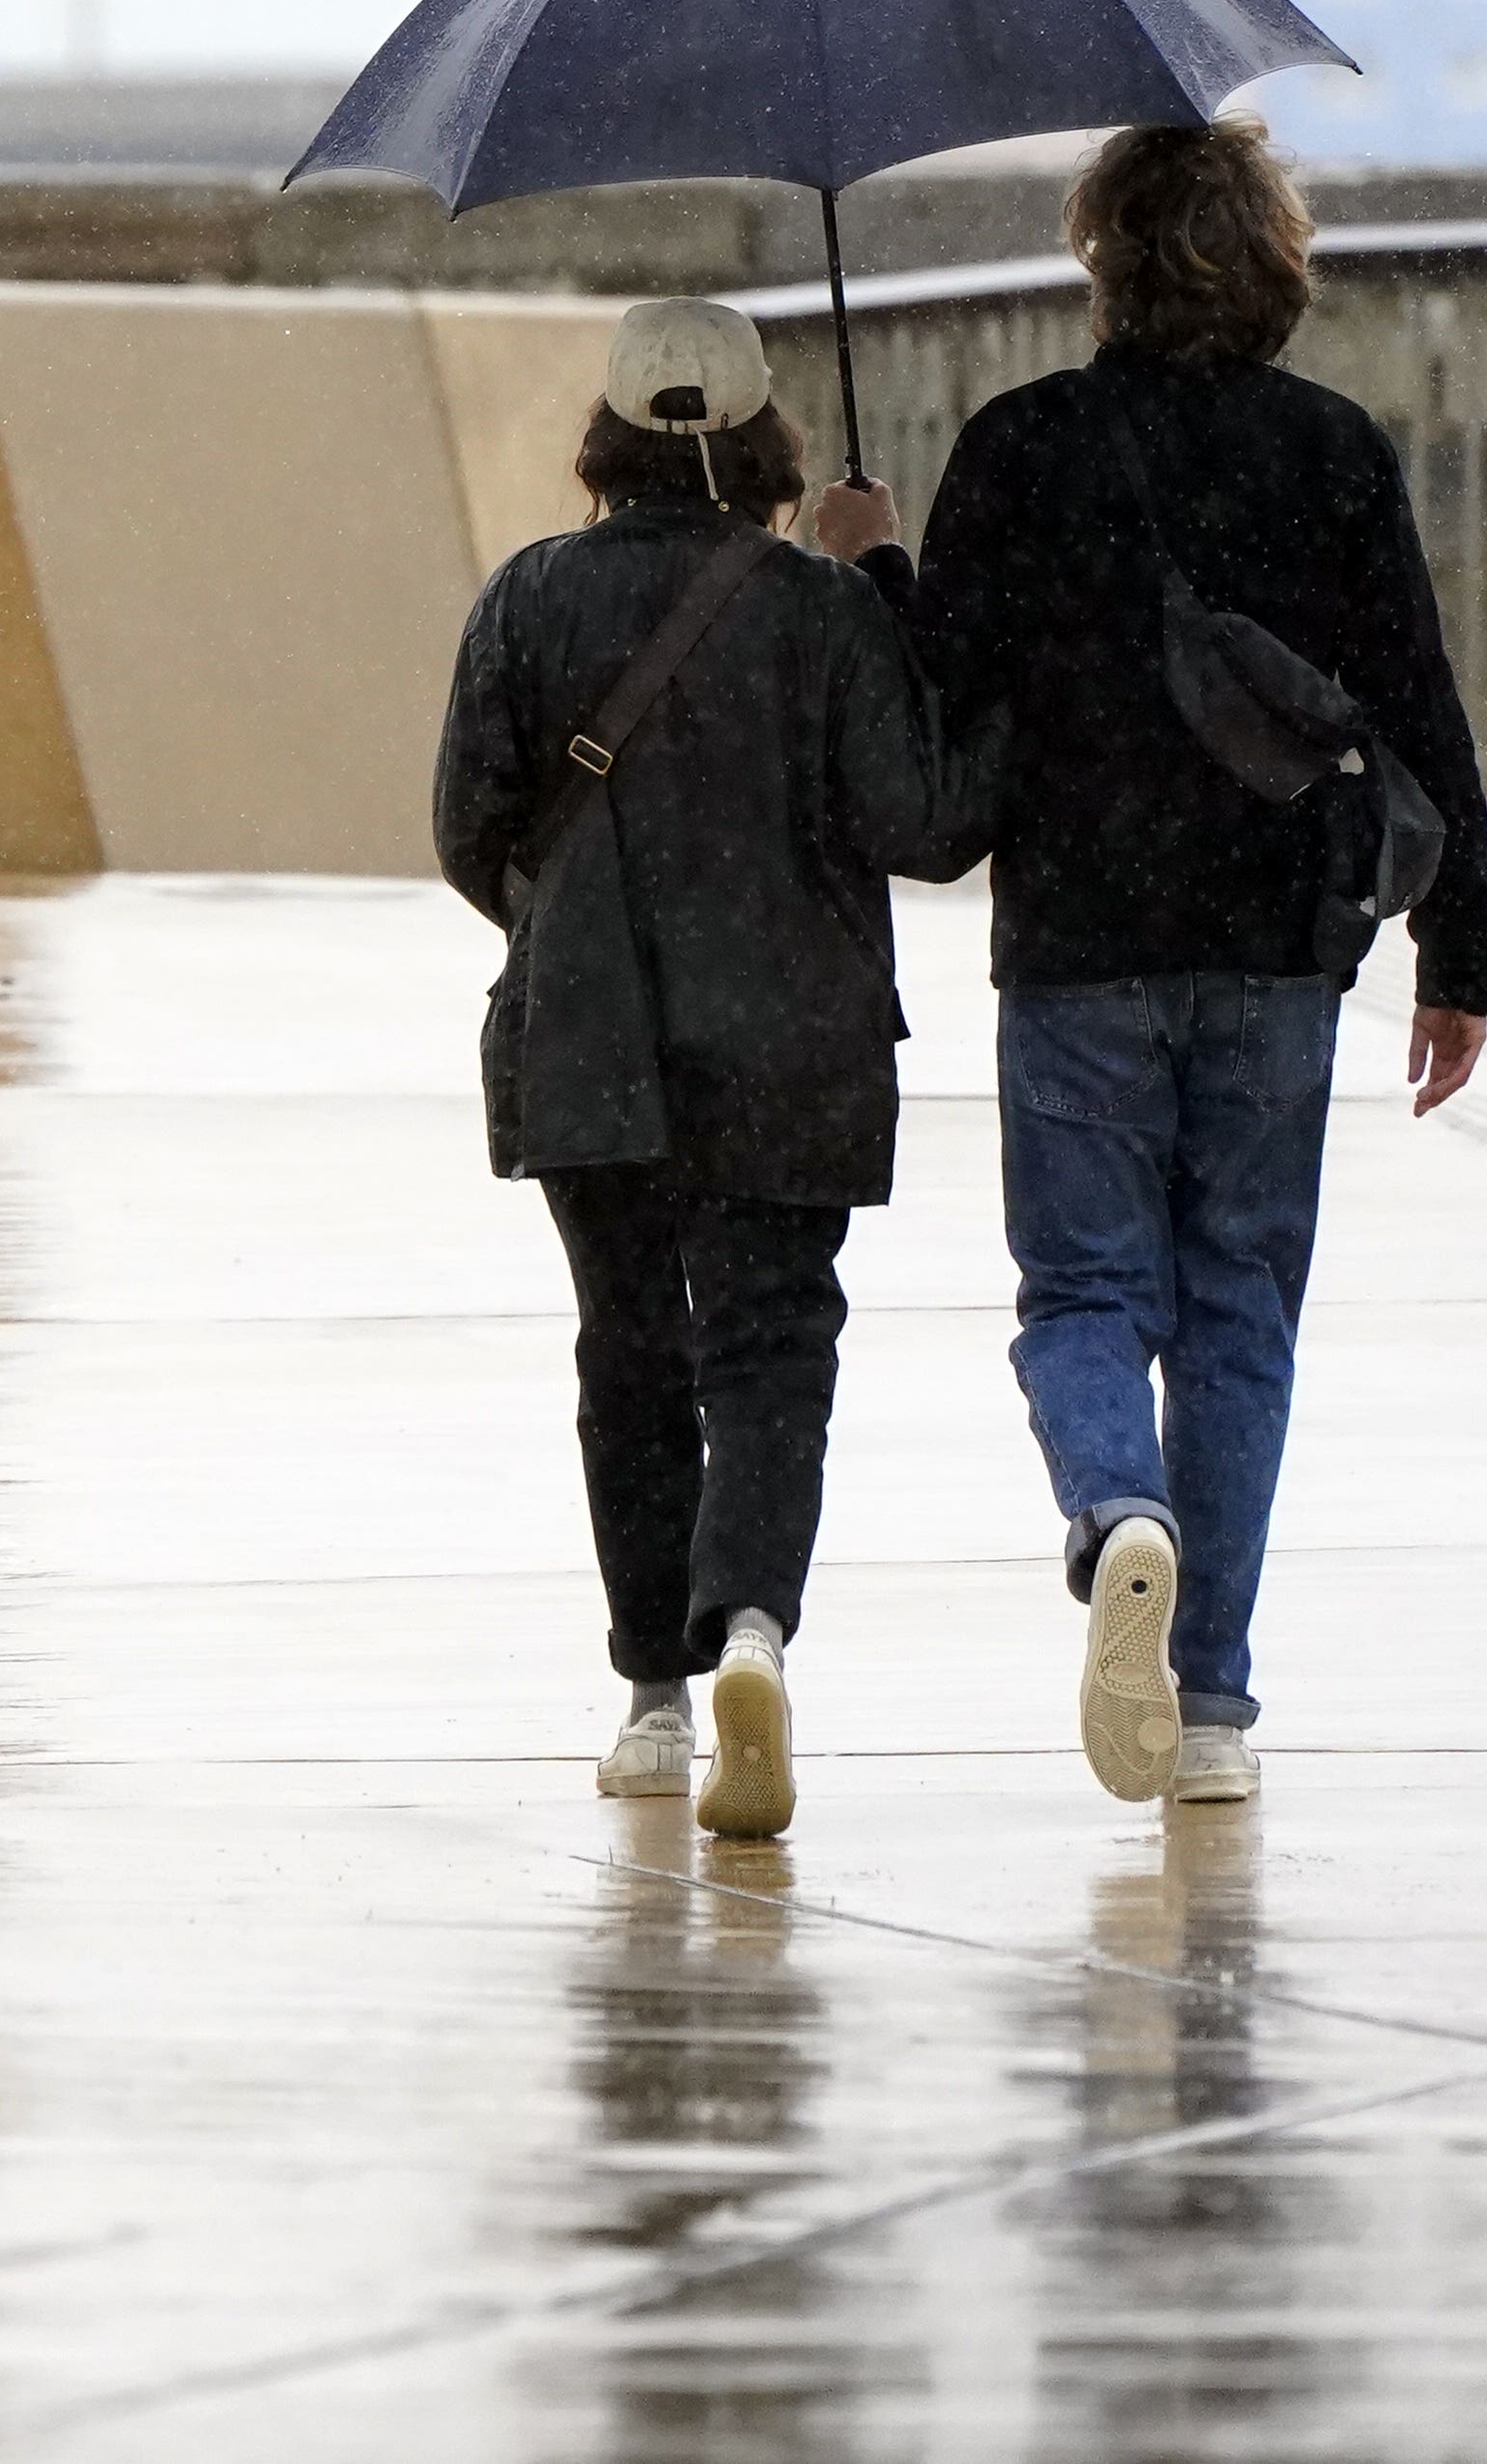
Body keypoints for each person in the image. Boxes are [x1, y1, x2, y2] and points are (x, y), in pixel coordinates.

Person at [894, 118, 1487, 1816]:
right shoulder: (1333, 450)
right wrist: (1464, 947)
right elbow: (1418, 707)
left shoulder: (1023, 446)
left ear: (1104, 259)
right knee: (1240, 1308)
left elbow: (937, 696)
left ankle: (1115, 1509)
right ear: (1278, 262)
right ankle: (1214, 1704)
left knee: (1087, 1295)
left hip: (1081, 940)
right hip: (1275, 947)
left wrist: (876, 556)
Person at [432, 299, 971, 1840]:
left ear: (604, 439)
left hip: (590, 1036)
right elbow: (922, 823)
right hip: (789, 1040)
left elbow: (471, 831)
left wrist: (582, 928)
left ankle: (655, 1706)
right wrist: (880, 577)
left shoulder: (525, 600)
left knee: (628, 1354)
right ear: (761, 442)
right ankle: (751, 1629)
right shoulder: (821, 611)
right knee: (767, 1349)